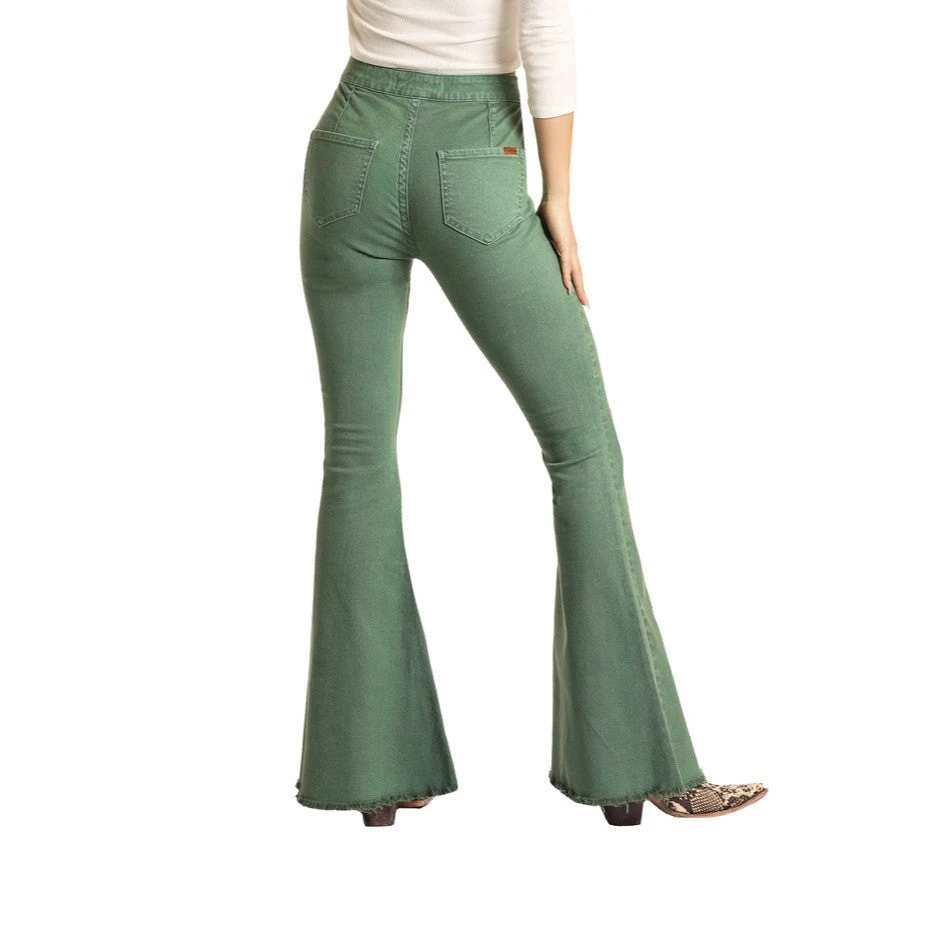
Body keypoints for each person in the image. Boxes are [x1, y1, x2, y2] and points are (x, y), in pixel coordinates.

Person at [294, 0, 768, 827]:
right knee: (581, 449)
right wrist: (559, 196)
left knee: (358, 456)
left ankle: (370, 773)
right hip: (472, 155)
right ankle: (635, 767)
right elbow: (545, 29)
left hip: (348, 147)